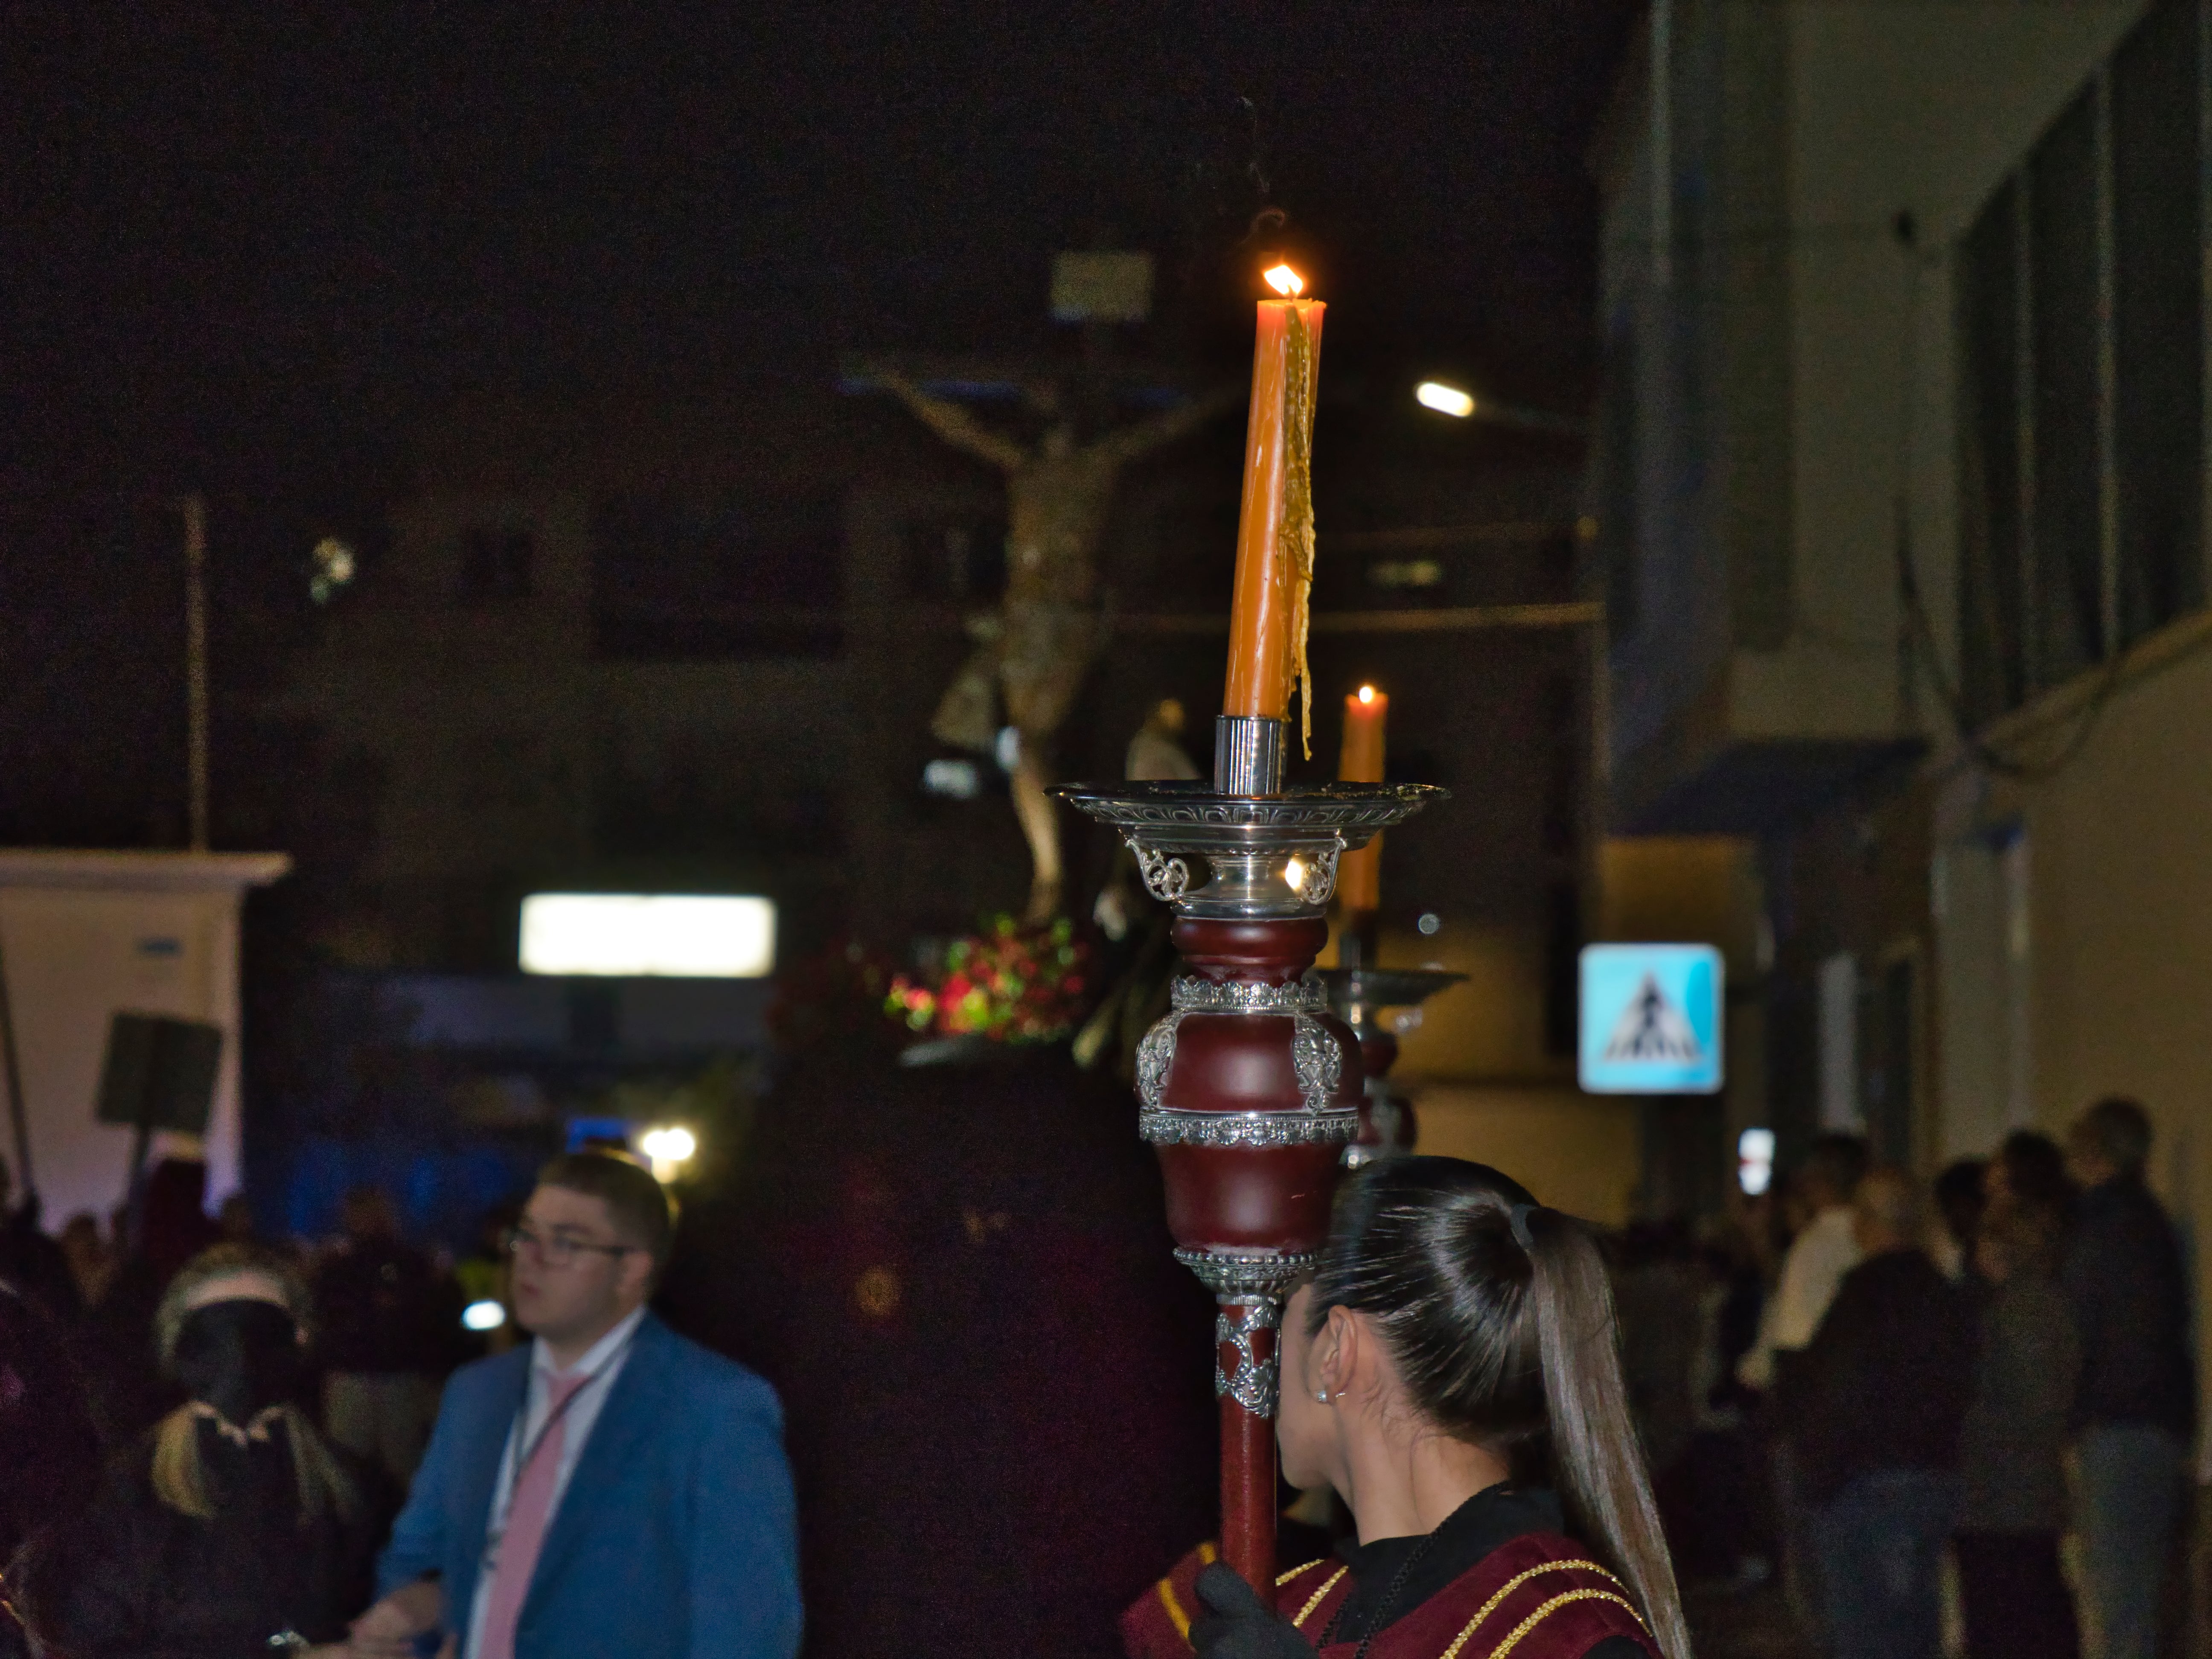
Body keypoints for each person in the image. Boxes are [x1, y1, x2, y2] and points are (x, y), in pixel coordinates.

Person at [1123, 1157, 1684, 1659]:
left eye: (1285, 1304)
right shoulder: (1295, 1607)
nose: (1265, 1349)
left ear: (1335, 1351)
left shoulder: (1564, 1632)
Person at [352, 1151, 800, 1659]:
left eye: (565, 1244)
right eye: (525, 1235)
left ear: (630, 1270)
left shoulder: (714, 1410)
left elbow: (747, 1629)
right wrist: (413, 1616)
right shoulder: (478, 1392)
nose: (529, 1258)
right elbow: (416, 1556)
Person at [27, 1244, 382, 1658]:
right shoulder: (125, 1489)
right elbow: (91, 1637)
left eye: (263, 1331)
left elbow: (383, 1607)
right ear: (180, 1347)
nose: (240, 1353)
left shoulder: (349, 1484)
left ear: (299, 1338)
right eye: (214, 1335)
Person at [1784, 1168, 1972, 1659]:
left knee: (1864, 1632)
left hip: (1867, 1487)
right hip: (1932, 1477)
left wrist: (1817, 1476)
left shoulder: (1865, 1297)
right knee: (1914, 1628)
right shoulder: (1943, 1293)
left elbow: (1841, 1394)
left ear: (1866, 1223)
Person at [2062, 1097, 2195, 1659]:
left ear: (2094, 1153)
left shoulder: (2106, 1229)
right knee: (2130, 1599)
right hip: (2151, 1424)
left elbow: (2085, 1335)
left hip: (2119, 1428)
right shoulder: (2147, 1223)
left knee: (2116, 1603)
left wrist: (2074, 1416)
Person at [1735, 1133, 1867, 1639]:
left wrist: (1783, 1423)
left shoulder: (1819, 1246)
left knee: (1819, 1578)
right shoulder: (1865, 1239)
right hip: (1863, 1428)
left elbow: (1794, 1347)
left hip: (1817, 1427)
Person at [1953, 1192, 2080, 1659]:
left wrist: (1963, 1419)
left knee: (2008, 1620)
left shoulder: (2019, 1313)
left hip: (2002, 1496)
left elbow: (2032, 1408)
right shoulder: (2043, 1305)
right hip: (2022, 1495)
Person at [314, 1185, 452, 1485]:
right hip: (351, 1376)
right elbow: (324, 1315)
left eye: (369, 1210)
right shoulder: (336, 1265)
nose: (362, 1218)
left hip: (397, 1376)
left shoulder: (410, 1262)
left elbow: (428, 1317)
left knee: (401, 1463)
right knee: (348, 1464)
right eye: (356, 1212)